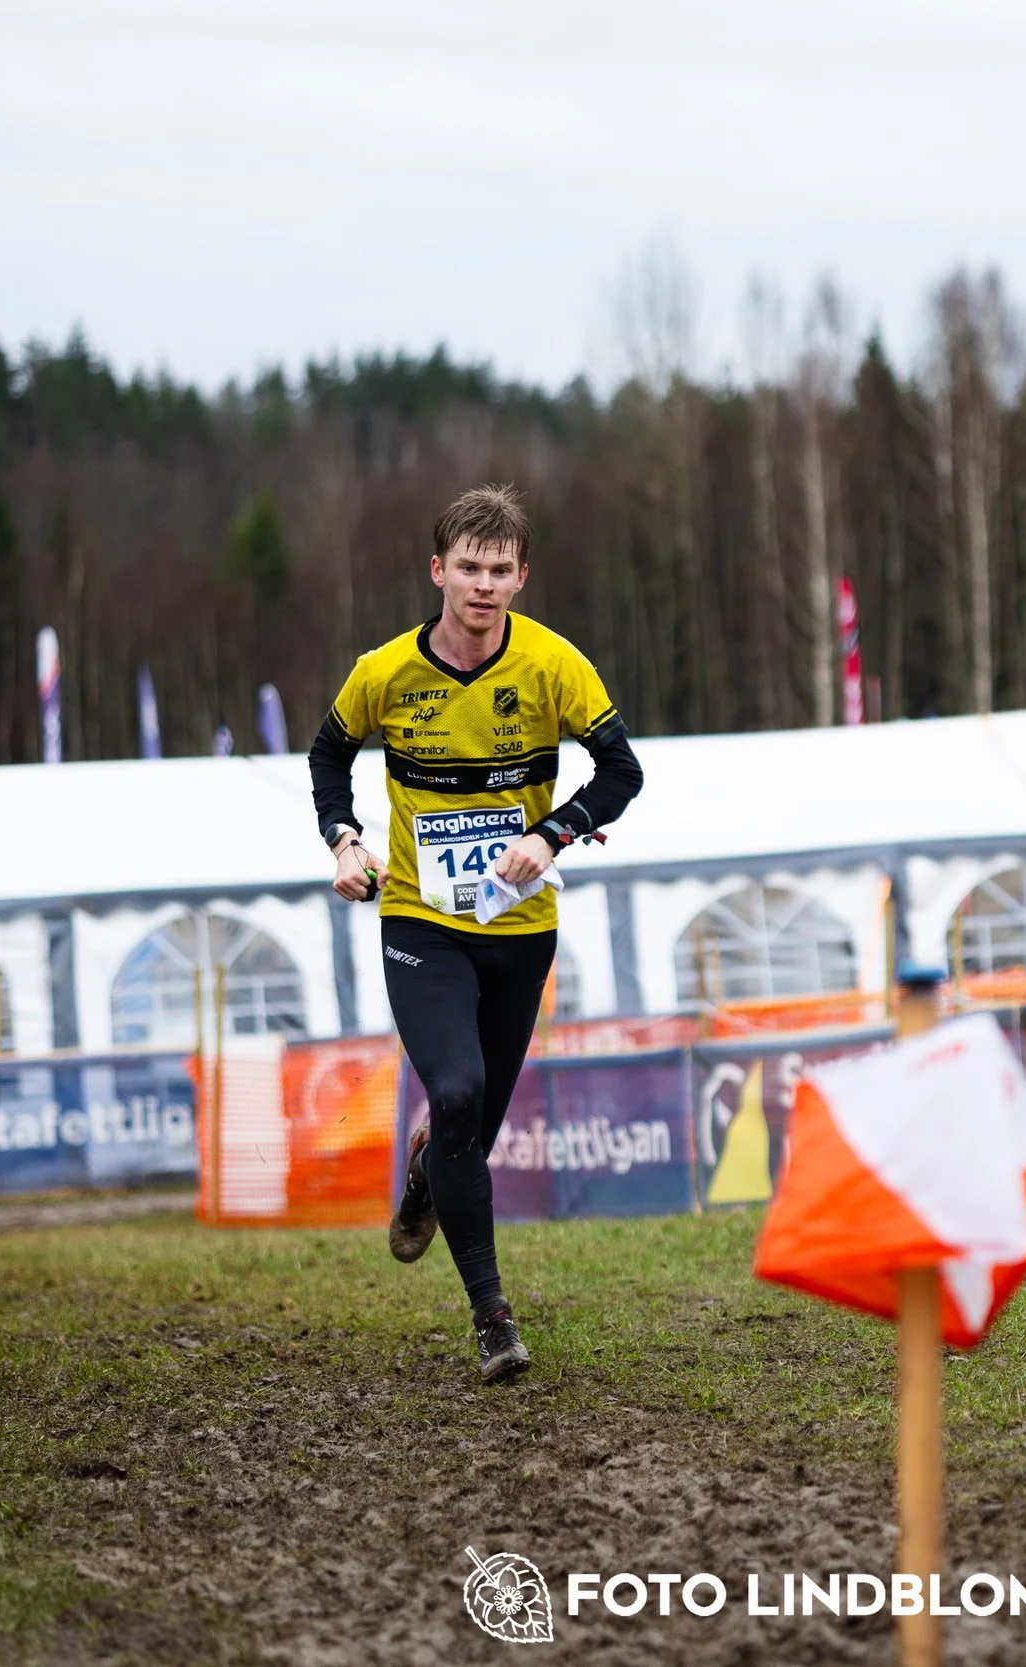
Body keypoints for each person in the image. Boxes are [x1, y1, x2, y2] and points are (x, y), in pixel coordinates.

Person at [308, 484, 643, 1385]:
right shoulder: (383, 671)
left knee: (469, 1126)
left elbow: (622, 769)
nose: (484, 585)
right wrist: (345, 838)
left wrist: (553, 831)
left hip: (519, 925)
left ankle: (425, 1176)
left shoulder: (553, 664)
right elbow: (327, 753)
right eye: (469, 567)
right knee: (454, 1091)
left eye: (501, 570)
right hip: (420, 918)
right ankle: (493, 1315)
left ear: (521, 577)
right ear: (438, 570)